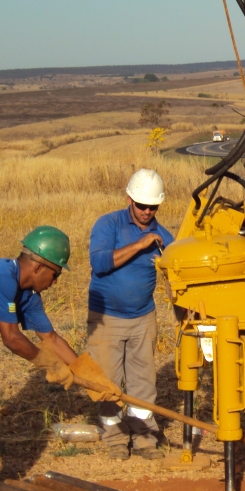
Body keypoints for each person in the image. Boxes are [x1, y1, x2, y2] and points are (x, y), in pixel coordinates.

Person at [0, 226, 84, 484]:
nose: (55, 282)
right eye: (55, 273)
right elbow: (11, 338)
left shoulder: (28, 297)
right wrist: (50, 365)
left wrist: (90, 375)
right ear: (38, 267)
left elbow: (51, 338)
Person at [87, 168, 173, 461]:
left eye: (153, 206)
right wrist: (140, 244)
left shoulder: (164, 237)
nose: (147, 211)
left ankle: (145, 438)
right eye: (141, 205)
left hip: (143, 319)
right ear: (129, 199)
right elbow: (99, 263)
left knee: (143, 383)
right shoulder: (108, 224)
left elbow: (177, 276)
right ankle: (115, 439)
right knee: (108, 384)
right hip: (106, 318)